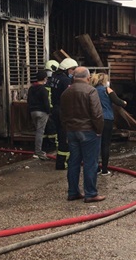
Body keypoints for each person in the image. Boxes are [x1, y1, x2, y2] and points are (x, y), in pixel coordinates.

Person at [61, 67, 105, 203]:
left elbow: (62, 114)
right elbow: (97, 114)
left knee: (73, 162)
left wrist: (67, 129)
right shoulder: (91, 91)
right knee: (90, 162)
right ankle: (90, 193)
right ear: (88, 78)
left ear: (73, 77)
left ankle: (73, 192)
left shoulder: (66, 92)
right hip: (88, 131)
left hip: (72, 131)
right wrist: (99, 130)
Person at [91, 73, 126, 176]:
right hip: (107, 119)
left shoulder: (92, 91)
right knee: (105, 145)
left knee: (95, 144)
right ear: (104, 81)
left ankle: (96, 168)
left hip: (95, 119)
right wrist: (124, 102)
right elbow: (118, 102)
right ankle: (105, 170)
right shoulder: (107, 90)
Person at [47, 57, 78, 170]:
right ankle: (63, 163)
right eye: (73, 69)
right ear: (67, 69)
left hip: (55, 109)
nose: (74, 72)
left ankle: (61, 161)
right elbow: (69, 96)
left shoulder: (55, 77)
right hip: (63, 110)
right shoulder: (66, 81)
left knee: (61, 137)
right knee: (65, 138)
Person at [27, 70, 50, 160]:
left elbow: (28, 100)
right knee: (40, 132)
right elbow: (46, 102)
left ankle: (38, 150)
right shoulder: (43, 89)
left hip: (33, 111)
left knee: (37, 131)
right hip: (42, 112)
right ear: (45, 78)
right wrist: (48, 111)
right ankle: (38, 151)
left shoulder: (31, 88)